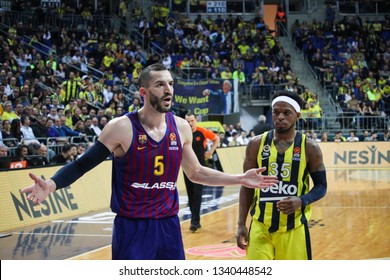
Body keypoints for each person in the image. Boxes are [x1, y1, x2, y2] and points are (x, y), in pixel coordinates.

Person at [21, 64, 278, 260]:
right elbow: (81, 164)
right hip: (132, 228)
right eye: (160, 85)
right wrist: (51, 185)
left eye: (170, 84)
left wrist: (240, 179)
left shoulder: (181, 127)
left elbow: (197, 173)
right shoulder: (120, 128)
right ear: (144, 92)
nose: (168, 90)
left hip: (168, 225)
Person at [236, 90, 327, 260]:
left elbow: (322, 187)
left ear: (297, 115)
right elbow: (247, 186)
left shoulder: (309, 147)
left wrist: (302, 200)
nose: (280, 117)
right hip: (260, 226)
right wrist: (241, 223)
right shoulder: (256, 144)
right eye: (276, 112)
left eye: (286, 113)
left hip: (293, 228)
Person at [183, 112, 220, 232]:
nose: (190, 123)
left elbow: (216, 139)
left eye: (192, 120)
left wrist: (210, 152)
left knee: (197, 194)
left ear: (196, 120)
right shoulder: (183, 133)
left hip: (200, 169)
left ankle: (194, 222)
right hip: (186, 169)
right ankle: (195, 219)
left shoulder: (202, 131)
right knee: (190, 195)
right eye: (187, 121)